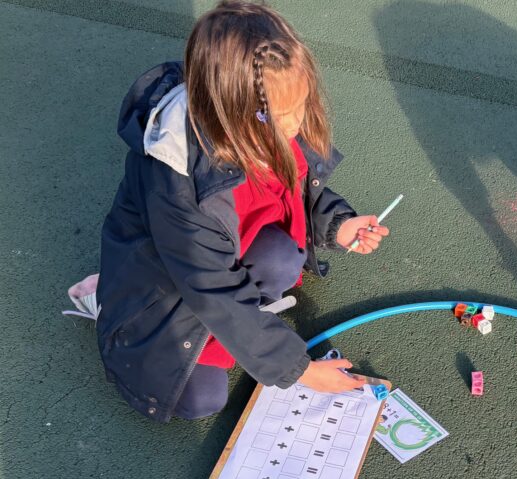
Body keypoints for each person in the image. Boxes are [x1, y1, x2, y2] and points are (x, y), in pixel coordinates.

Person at [97, 1, 389, 422]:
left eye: (302, 104)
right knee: (199, 398)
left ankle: (240, 331)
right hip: (165, 290)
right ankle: (108, 310)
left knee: (284, 259)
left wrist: (337, 224)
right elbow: (212, 286)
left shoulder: (261, 120)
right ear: (236, 111)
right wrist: (302, 371)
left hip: (212, 266)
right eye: (284, 115)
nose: (297, 123)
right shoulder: (178, 182)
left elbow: (293, 188)